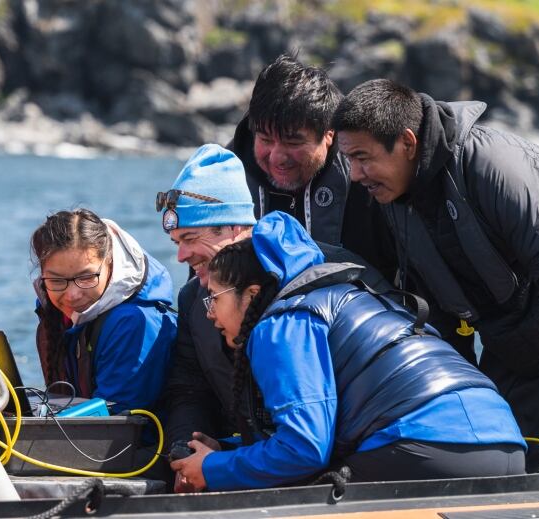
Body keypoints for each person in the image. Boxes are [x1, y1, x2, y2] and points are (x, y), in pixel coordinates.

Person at [333, 78, 539, 472]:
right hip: (507, 349)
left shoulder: (494, 167)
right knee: (491, 467)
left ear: (407, 143)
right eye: (348, 160)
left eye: (363, 157)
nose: (354, 174)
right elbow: (430, 311)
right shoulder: (389, 194)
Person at [169, 211, 526, 491]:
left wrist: (213, 470)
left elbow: (303, 450)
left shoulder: (281, 323)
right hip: (507, 443)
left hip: (425, 447)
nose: (210, 313)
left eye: (213, 299)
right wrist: (230, 454)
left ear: (251, 293)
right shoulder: (346, 294)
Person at [159, 143, 399, 492]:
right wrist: (188, 453)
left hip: (346, 448)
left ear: (234, 227)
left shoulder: (321, 270)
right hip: (259, 454)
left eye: (190, 238)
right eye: (175, 241)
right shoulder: (192, 300)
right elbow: (187, 389)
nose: (180, 256)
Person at [228, 54, 396, 281]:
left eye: (293, 142)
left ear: (329, 134)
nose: (277, 157)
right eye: (266, 140)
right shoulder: (227, 179)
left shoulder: (370, 179)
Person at [31, 208, 176, 412]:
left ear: (111, 262)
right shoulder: (53, 311)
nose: (72, 294)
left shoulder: (135, 320)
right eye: (56, 280)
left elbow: (114, 419)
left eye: (86, 278)